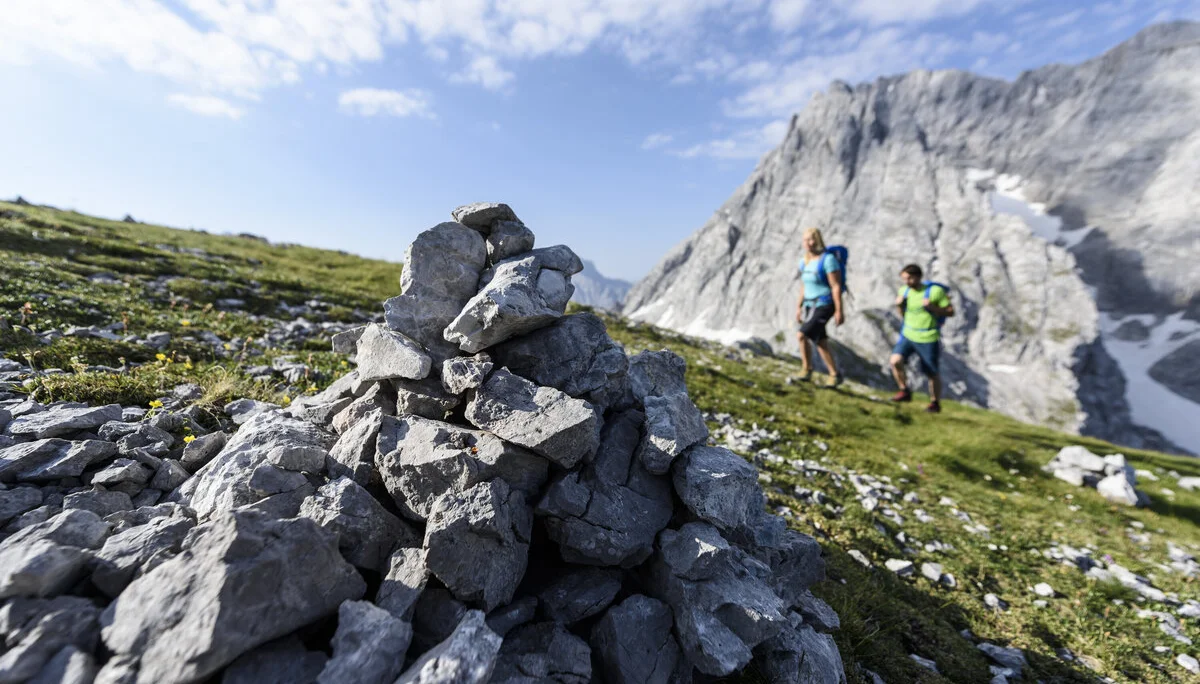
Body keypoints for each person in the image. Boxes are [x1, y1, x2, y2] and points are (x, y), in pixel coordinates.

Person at [890, 264, 954, 412]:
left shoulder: (935, 292)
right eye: (904, 279)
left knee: (931, 372)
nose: (906, 282)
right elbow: (904, 315)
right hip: (908, 334)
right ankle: (904, 390)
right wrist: (899, 306)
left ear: (918, 277)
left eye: (909, 278)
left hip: (928, 337)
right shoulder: (904, 291)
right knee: (895, 361)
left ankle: (935, 403)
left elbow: (950, 312)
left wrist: (933, 308)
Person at [794, 227, 844, 387]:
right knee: (820, 341)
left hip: (825, 304)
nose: (808, 243)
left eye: (811, 239)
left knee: (802, 335)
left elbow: (835, 285)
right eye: (805, 240)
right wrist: (799, 306)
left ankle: (807, 369)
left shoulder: (828, 260)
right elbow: (804, 285)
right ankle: (834, 374)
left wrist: (839, 310)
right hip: (809, 304)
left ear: (818, 240)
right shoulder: (804, 261)